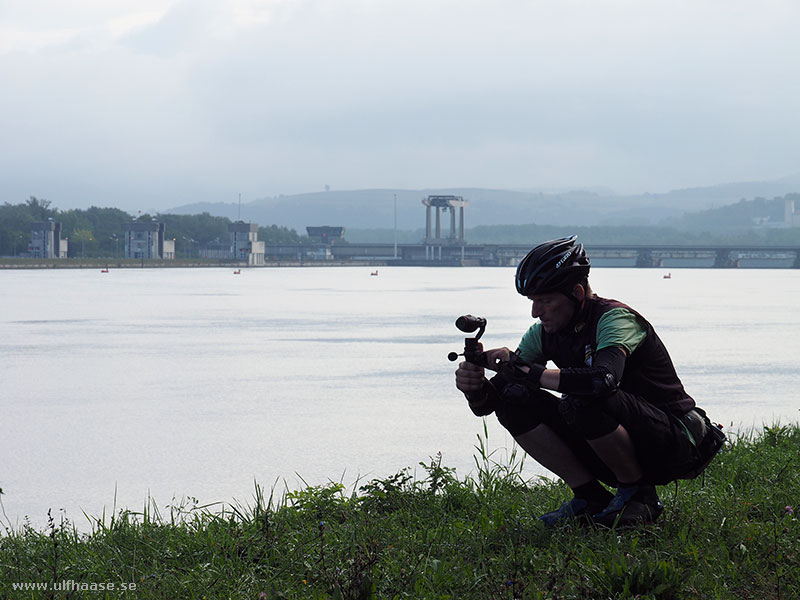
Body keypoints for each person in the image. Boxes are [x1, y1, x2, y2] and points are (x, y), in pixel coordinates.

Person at [454, 235, 723, 527]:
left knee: (584, 396)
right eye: (533, 301)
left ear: (578, 293)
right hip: (619, 440)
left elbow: (603, 380)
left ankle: (639, 498)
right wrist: (477, 388)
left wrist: (526, 370)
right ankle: (589, 497)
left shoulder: (615, 319)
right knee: (514, 397)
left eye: (545, 300)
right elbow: (492, 403)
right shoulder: (542, 333)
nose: (535, 311)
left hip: (677, 443)